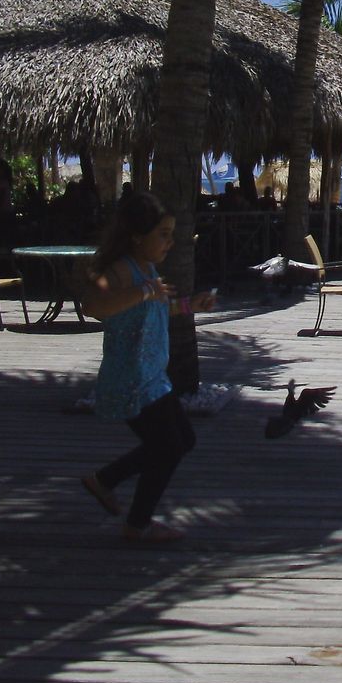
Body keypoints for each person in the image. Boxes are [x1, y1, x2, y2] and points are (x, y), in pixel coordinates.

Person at [78, 192, 216, 542]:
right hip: (130, 380)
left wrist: (187, 305)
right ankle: (136, 523)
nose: (170, 242)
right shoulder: (121, 269)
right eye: (163, 234)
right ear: (138, 236)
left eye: (171, 233)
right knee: (169, 445)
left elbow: (154, 308)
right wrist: (142, 292)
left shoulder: (146, 270)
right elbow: (94, 305)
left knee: (182, 440)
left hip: (152, 376)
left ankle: (106, 482)